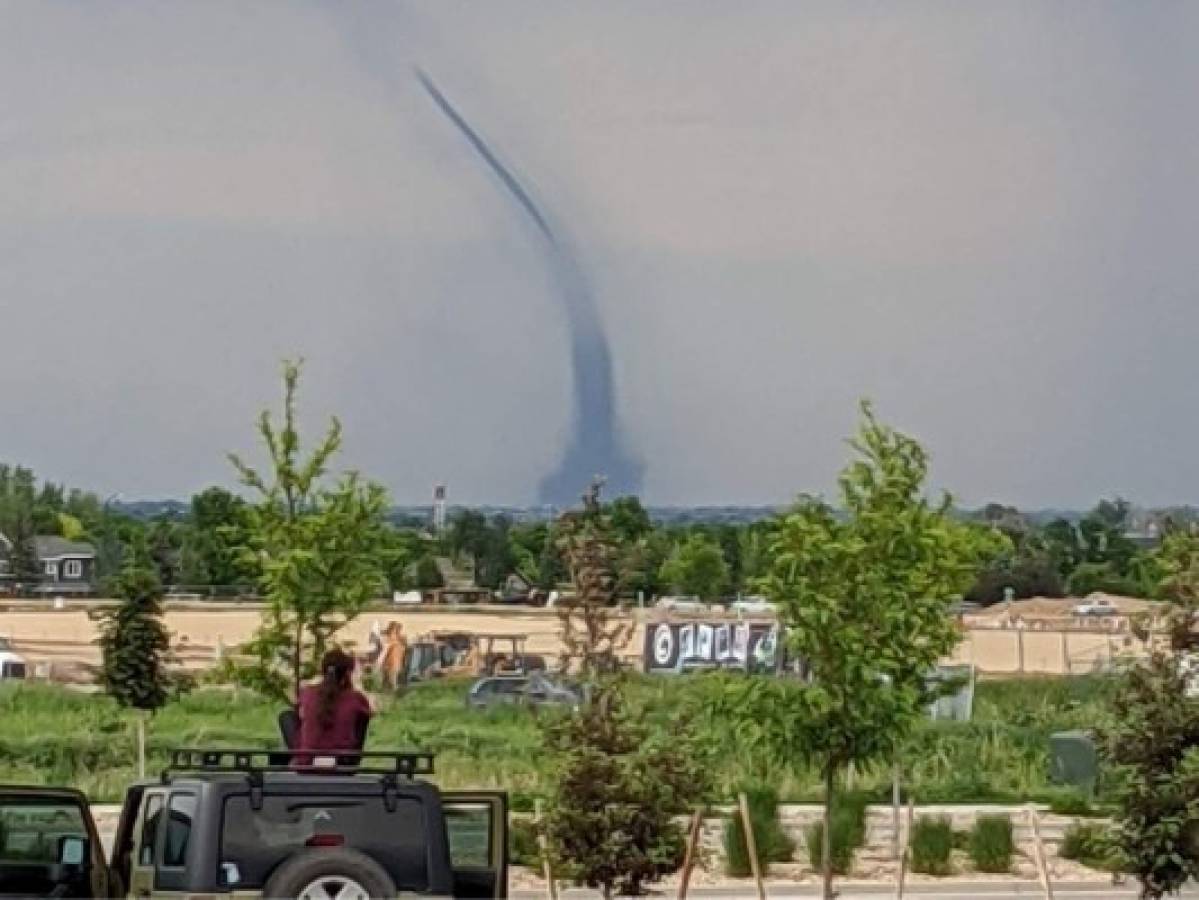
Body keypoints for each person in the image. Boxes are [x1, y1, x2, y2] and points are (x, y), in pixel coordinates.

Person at [295, 648, 372, 763]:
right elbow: (372, 711)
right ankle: (353, 761)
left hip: (306, 763)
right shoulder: (355, 698)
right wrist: (357, 685)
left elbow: (298, 710)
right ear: (347, 673)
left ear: (322, 671)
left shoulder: (307, 692)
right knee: (363, 717)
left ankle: (296, 754)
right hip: (342, 764)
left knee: (288, 717)